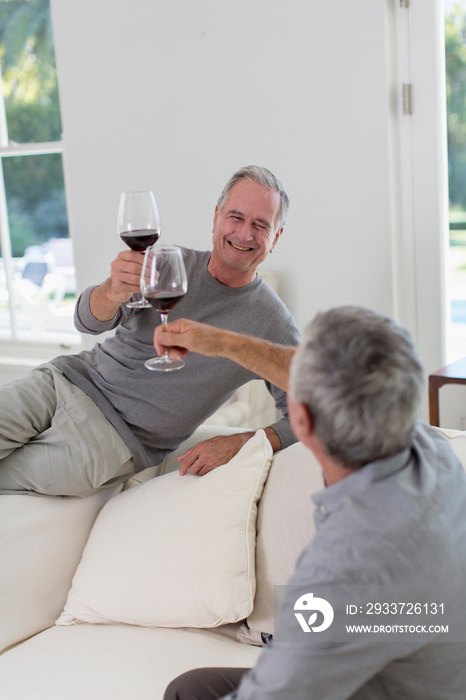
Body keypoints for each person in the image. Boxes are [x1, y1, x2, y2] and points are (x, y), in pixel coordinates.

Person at [158, 308, 466, 700]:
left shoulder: (344, 563)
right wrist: (223, 343)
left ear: (298, 421)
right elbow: (329, 378)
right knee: (192, 687)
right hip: (411, 653)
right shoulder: (429, 450)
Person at [0, 165, 301, 497]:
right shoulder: (169, 264)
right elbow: (86, 321)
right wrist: (110, 291)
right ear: (216, 217)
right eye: (236, 217)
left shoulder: (273, 324)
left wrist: (243, 442)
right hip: (61, 382)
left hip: (110, 439)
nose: (244, 234)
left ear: (276, 237)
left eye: (260, 225)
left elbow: (313, 411)